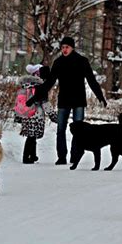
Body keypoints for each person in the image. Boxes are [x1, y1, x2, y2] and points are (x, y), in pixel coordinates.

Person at [26, 36, 107, 165]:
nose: (64, 49)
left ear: (72, 47)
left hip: (79, 101)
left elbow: (92, 81)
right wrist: (34, 98)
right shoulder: (58, 63)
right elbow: (49, 83)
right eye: (62, 47)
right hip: (63, 100)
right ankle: (62, 157)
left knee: (79, 131)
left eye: (67, 47)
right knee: (60, 130)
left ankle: (75, 156)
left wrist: (100, 97)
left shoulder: (82, 61)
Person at [18, 64, 57, 164]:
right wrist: (53, 116)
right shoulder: (41, 87)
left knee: (31, 136)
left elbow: (20, 101)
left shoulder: (26, 85)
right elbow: (45, 103)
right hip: (36, 115)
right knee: (31, 137)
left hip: (26, 114)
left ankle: (33, 156)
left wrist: (18, 115)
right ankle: (26, 158)